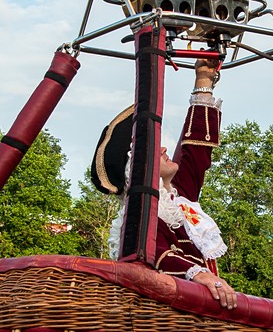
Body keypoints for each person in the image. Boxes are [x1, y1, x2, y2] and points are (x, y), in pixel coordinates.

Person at [91, 57, 237, 309]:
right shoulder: (139, 218)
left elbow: (195, 152)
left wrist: (203, 80)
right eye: (154, 148)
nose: (165, 148)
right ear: (137, 166)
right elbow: (153, 255)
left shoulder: (177, 201)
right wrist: (199, 273)